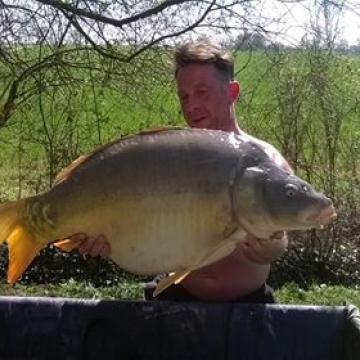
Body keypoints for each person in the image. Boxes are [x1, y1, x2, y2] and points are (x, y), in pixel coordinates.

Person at [71, 39, 292, 303]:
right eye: (184, 95)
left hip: (248, 306)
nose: (191, 105)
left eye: (202, 92)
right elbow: (137, 223)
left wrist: (271, 248)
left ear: (231, 92)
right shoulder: (169, 159)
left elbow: (282, 236)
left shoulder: (265, 159)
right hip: (175, 295)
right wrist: (100, 236)